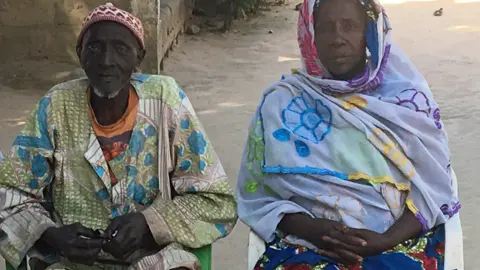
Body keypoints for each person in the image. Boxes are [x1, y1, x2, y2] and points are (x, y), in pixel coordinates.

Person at [0, 3, 237, 270]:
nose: (106, 61)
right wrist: (52, 235)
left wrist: (150, 223)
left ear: (139, 57)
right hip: (69, 262)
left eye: (121, 48)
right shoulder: (56, 106)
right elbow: (9, 194)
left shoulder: (166, 101)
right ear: (80, 54)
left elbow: (217, 202)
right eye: (94, 47)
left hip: (153, 259)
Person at [237, 0, 459, 269]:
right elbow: (259, 194)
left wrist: (385, 240)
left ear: (368, 33)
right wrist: (316, 231)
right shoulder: (281, 104)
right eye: (326, 28)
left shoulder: (407, 102)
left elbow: (435, 187)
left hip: (399, 244)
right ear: (310, 36)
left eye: (350, 26)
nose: (338, 39)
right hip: (306, 245)